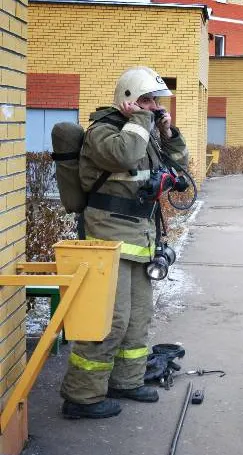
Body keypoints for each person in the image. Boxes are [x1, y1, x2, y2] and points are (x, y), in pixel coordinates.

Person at [60, 66, 189, 419]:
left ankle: (126, 381)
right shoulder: (104, 132)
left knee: (137, 318)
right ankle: (82, 397)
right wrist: (143, 124)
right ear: (128, 100)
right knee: (108, 320)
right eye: (147, 100)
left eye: (156, 102)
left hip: (140, 237)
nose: (153, 107)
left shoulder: (144, 131)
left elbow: (181, 169)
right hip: (107, 238)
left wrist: (168, 131)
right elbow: (124, 156)